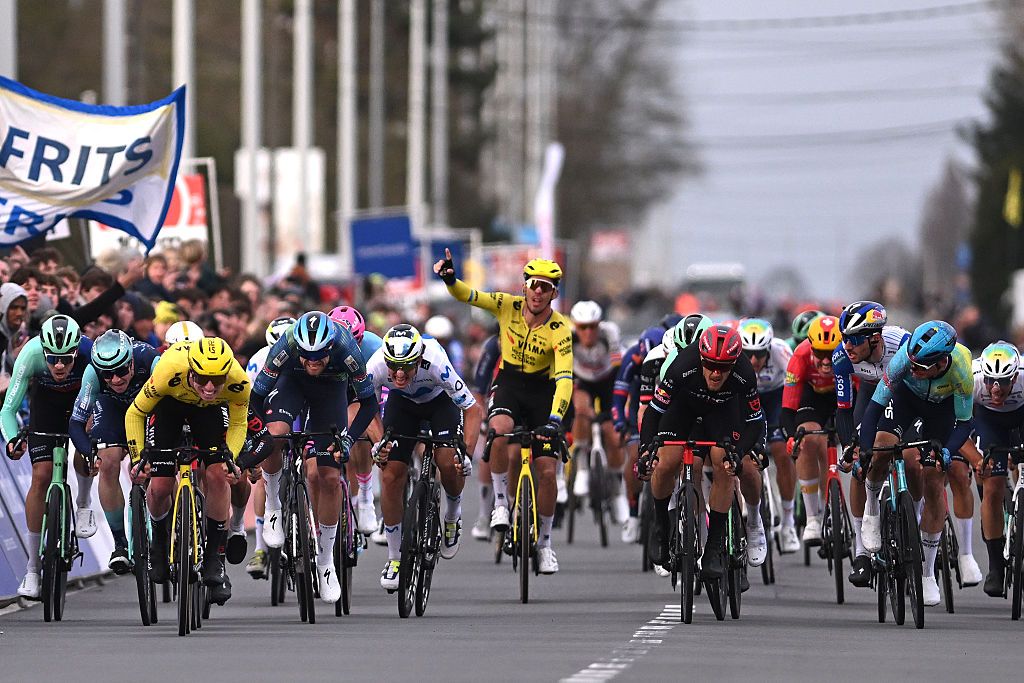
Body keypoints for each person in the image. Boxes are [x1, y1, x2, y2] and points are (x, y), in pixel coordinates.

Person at [433, 248, 573, 574]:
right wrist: (451, 278)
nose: (538, 292)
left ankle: (546, 544)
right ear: (524, 286)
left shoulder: (560, 328)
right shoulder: (506, 306)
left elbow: (565, 377)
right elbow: (469, 295)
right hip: (509, 382)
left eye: (546, 287)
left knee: (548, 471)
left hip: (543, 391)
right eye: (534, 285)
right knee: (497, 430)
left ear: (553, 293)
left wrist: (555, 419)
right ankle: (499, 504)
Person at [249, 311, 379, 603]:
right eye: (306, 356)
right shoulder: (286, 346)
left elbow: (368, 403)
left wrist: (347, 438)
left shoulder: (347, 350)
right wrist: (258, 436)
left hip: (330, 393)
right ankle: (273, 504)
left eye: (318, 357)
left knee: (329, 476)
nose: (311, 362)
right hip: (291, 385)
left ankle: (325, 562)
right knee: (275, 435)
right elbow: (256, 398)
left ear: (330, 348)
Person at [124, 337, 250, 606]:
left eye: (216, 380)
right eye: (202, 378)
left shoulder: (238, 381)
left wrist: (233, 458)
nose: (208, 386)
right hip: (170, 406)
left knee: (219, 475)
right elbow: (134, 414)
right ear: (191, 371)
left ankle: (215, 559)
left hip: (210, 413)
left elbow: (239, 422)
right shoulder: (168, 370)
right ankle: (158, 541)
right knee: (158, 487)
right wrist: (138, 458)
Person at [857, 320, 974, 607]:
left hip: (942, 410)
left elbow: (964, 423)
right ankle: (872, 507)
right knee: (883, 448)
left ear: (941, 362)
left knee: (934, 477)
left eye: (920, 367)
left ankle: (926, 573)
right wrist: (864, 450)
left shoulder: (961, 369)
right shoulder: (903, 362)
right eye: (911, 363)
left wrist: (947, 451)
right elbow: (873, 410)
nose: (914, 369)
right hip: (906, 399)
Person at [638, 324, 767, 579]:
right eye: (710, 365)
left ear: (734, 364)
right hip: (683, 410)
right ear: (700, 358)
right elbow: (654, 411)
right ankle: (661, 526)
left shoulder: (744, 372)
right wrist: (645, 451)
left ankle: (715, 545)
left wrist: (739, 451)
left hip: (723, 412)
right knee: (666, 462)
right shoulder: (681, 366)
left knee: (724, 463)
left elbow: (754, 421)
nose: (716, 373)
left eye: (724, 367)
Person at [367, 324, 482, 590]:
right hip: (402, 406)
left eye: (406, 366)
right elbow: (367, 409)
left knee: (447, 462)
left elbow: (473, 409)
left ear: (419, 359)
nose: (398, 373)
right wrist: (379, 443)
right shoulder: (375, 367)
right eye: (393, 365)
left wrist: (466, 452)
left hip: (440, 403)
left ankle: (453, 515)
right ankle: (395, 559)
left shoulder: (437, 362)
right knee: (391, 474)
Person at [1, 315, 94, 599]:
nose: (59, 366)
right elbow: (7, 409)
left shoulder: (91, 353)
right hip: (45, 409)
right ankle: (32, 569)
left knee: (86, 449)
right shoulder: (30, 354)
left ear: (76, 350)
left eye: (66, 359)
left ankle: (83, 503)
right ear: (43, 351)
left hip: (81, 405)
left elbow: (100, 400)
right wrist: (13, 440)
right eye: (53, 359)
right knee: (41, 477)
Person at [832, 301, 917, 588]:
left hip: (904, 397)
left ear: (875, 338)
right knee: (860, 463)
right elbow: (844, 409)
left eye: (853, 339)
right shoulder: (842, 357)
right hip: (869, 397)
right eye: (844, 338)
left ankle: (912, 524)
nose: (847, 345)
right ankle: (860, 550)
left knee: (912, 455)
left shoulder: (903, 345)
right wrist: (849, 445)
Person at [68, 330, 160, 574]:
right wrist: (89, 452)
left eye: (121, 371)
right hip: (113, 410)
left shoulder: (149, 359)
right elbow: (76, 423)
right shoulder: (93, 373)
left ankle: (162, 531)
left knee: (160, 463)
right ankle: (120, 543)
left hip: (150, 408)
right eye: (108, 374)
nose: (116, 379)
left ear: (131, 361)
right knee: (107, 462)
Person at [958, 342, 1024, 596]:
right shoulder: (972, 380)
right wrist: (977, 459)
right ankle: (996, 568)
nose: (996, 389)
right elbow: (957, 426)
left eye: (1003, 382)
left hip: (1021, 417)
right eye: (991, 381)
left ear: (1014, 377)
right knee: (993, 488)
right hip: (989, 422)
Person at [737, 318, 799, 553]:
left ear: (769, 348)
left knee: (782, 452)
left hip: (775, 399)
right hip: (746, 400)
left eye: (759, 354)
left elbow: (797, 386)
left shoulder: (782, 352)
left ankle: (788, 521)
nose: (753, 361)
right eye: (748, 354)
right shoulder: (735, 357)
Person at [781, 315, 841, 550]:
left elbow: (862, 401)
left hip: (843, 396)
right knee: (807, 439)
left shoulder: (850, 357)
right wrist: (791, 436)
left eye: (831, 354)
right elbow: (787, 408)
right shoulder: (800, 356)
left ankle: (834, 507)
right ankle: (813, 518)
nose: (826, 362)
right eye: (820, 353)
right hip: (812, 397)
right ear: (810, 347)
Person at [243, 316, 295, 579]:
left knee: (313, 469)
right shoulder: (258, 360)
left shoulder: (305, 359)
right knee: (265, 476)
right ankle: (261, 548)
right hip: (267, 411)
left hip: (297, 409)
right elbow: (250, 405)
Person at [329, 305, 384, 537]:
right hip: (332, 388)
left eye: (354, 343)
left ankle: (364, 496)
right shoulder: (321, 345)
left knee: (360, 430)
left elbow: (383, 395)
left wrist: (383, 437)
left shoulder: (375, 348)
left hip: (364, 391)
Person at [568, 301, 626, 523]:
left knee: (612, 433)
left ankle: (618, 490)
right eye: (582, 327)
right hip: (582, 380)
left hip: (607, 379)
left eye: (592, 326)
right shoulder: (569, 336)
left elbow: (618, 365)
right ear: (576, 326)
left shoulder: (609, 333)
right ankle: (582, 467)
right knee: (582, 411)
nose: (588, 332)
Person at [611, 325, 666, 543]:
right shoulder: (630, 358)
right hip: (639, 407)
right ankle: (633, 514)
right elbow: (618, 395)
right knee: (634, 455)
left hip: (665, 407)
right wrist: (619, 423)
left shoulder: (671, 358)